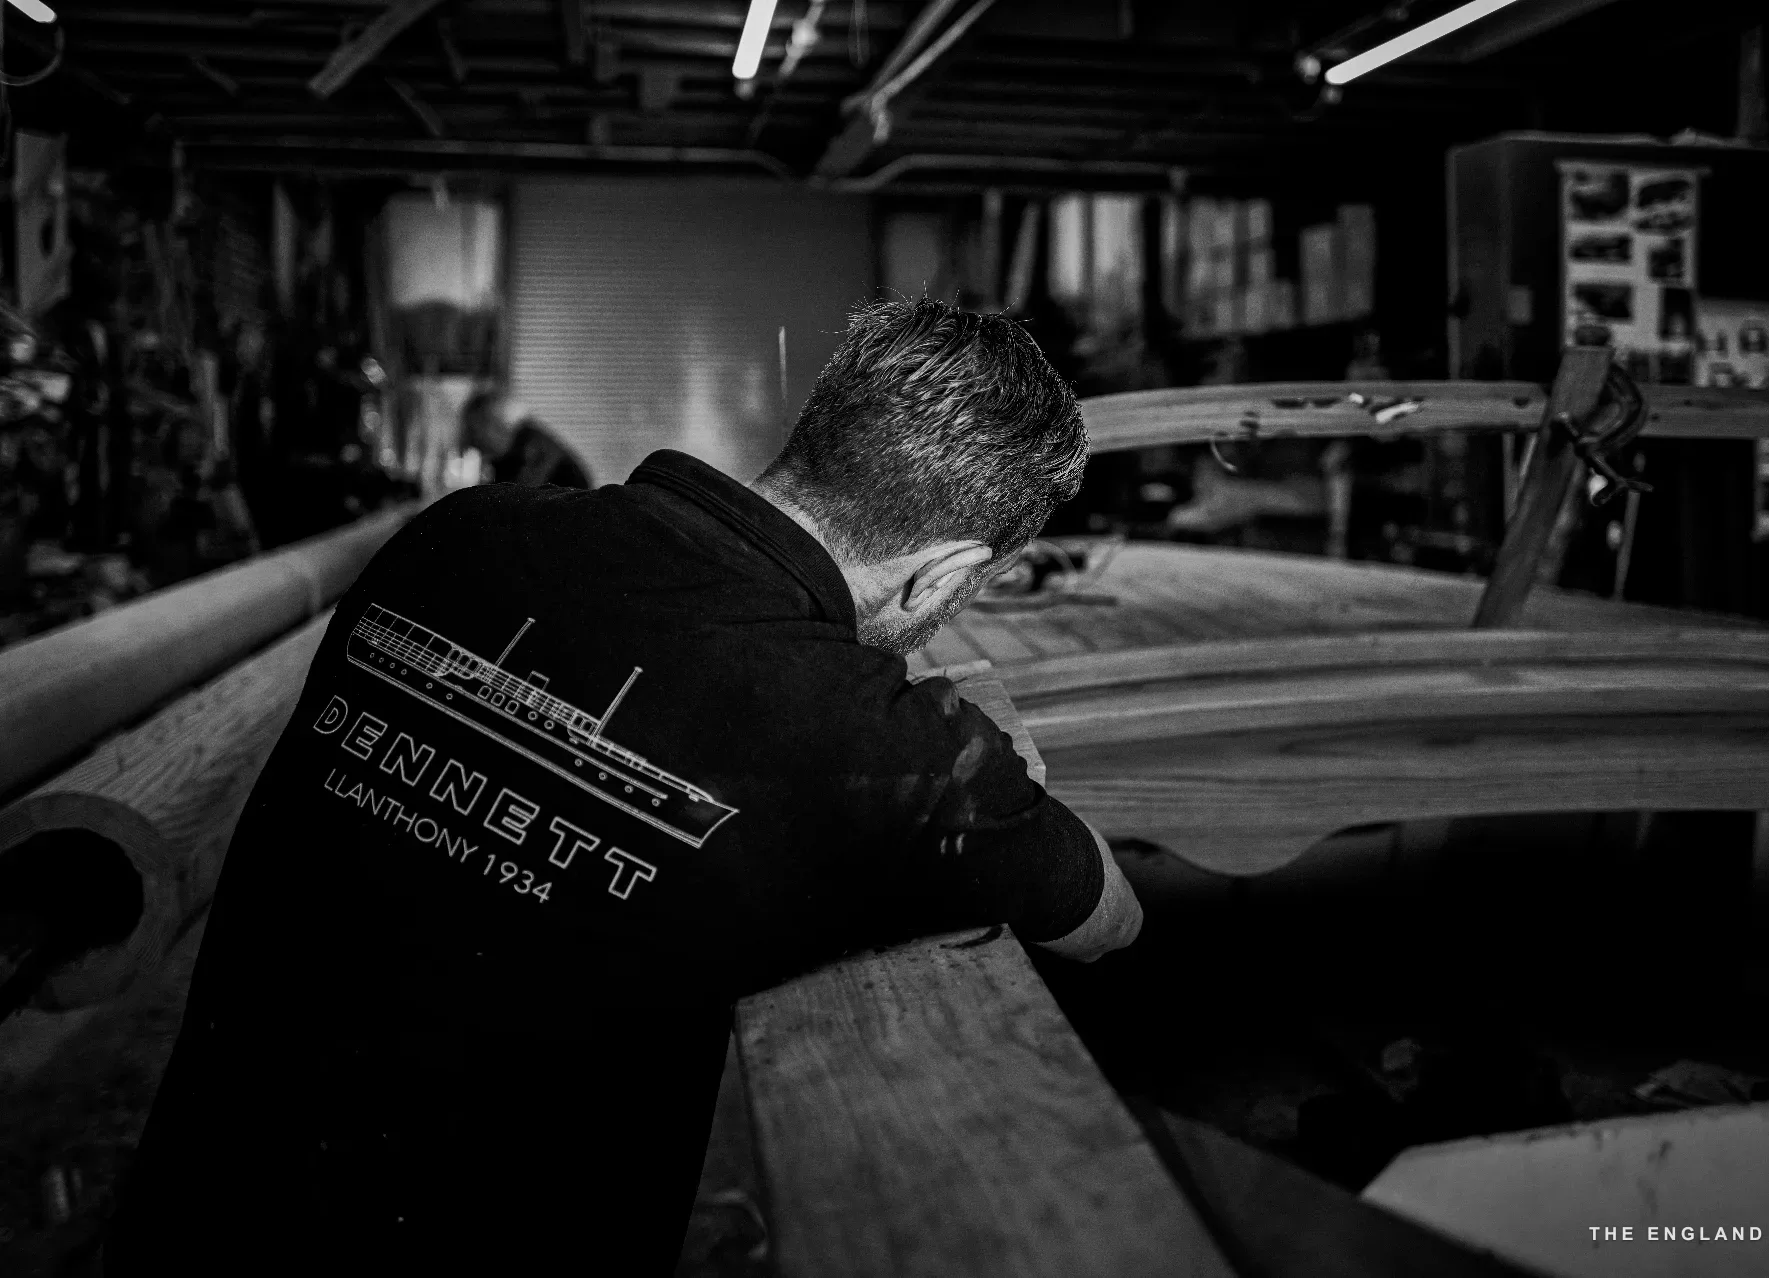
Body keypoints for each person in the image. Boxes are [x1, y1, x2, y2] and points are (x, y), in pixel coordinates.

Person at [103, 298, 1142, 1276]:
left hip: (183, 1225)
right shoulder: (887, 743)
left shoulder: (456, 534)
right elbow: (1108, 919)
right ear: (942, 572)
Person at [460, 387, 592, 489]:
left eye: (474, 432)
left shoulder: (532, 445)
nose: (473, 441)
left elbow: (519, 494)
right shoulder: (507, 456)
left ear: (492, 424)